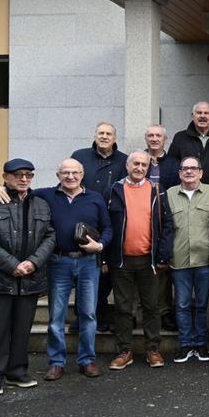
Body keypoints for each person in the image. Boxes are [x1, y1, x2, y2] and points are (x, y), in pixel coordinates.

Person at [0, 159, 112, 381]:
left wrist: (100, 245)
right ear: (58, 175)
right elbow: (20, 188)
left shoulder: (95, 198)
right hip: (58, 262)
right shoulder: (45, 195)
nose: (70, 177)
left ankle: (87, 360)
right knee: (57, 315)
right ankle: (57, 362)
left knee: (88, 313)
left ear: (82, 174)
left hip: (88, 262)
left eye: (75, 172)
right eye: (65, 172)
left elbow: (108, 228)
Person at [0, 159, 56, 396]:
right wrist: (12, 265)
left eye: (28, 175)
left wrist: (33, 262)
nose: (24, 179)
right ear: (5, 176)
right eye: (18, 175)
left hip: (29, 278)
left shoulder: (41, 204)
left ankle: (17, 372)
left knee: (22, 329)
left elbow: (49, 237)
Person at [106, 150, 174, 371]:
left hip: (150, 260)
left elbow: (168, 225)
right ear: (127, 166)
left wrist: (163, 254)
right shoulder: (114, 190)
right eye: (135, 164)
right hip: (121, 260)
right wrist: (105, 257)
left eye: (144, 165)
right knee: (123, 308)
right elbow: (105, 223)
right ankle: (124, 351)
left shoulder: (156, 189)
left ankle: (153, 349)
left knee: (151, 307)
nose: (139, 168)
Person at [71, 121, 127, 332]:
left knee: (105, 273)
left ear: (115, 137)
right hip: (85, 221)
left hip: (112, 223)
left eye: (108, 134)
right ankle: (80, 318)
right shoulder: (80, 156)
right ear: (95, 135)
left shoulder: (123, 160)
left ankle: (101, 316)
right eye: (101, 133)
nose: (104, 136)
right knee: (83, 272)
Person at [167, 157, 209, 364]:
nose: (189, 172)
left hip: (205, 258)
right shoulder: (169, 194)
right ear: (179, 173)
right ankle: (185, 345)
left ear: (201, 172)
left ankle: (200, 344)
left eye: (193, 168)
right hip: (178, 259)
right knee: (181, 304)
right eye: (185, 169)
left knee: (201, 304)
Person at [145, 124, 181, 332]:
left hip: (164, 218)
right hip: (141, 217)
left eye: (158, 135)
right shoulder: (138, 161)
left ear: (165, 139)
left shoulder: (173, 164)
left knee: (162, 268)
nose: (154, 138)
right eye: (151, 135)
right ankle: (139, 312)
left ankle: (165, 312)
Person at [168, 101, 209, 190]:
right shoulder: (180, 138)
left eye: (206, 113)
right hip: (186, 191)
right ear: (192, 116)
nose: (202, 116)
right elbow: (172, 165)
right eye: (199, 113)